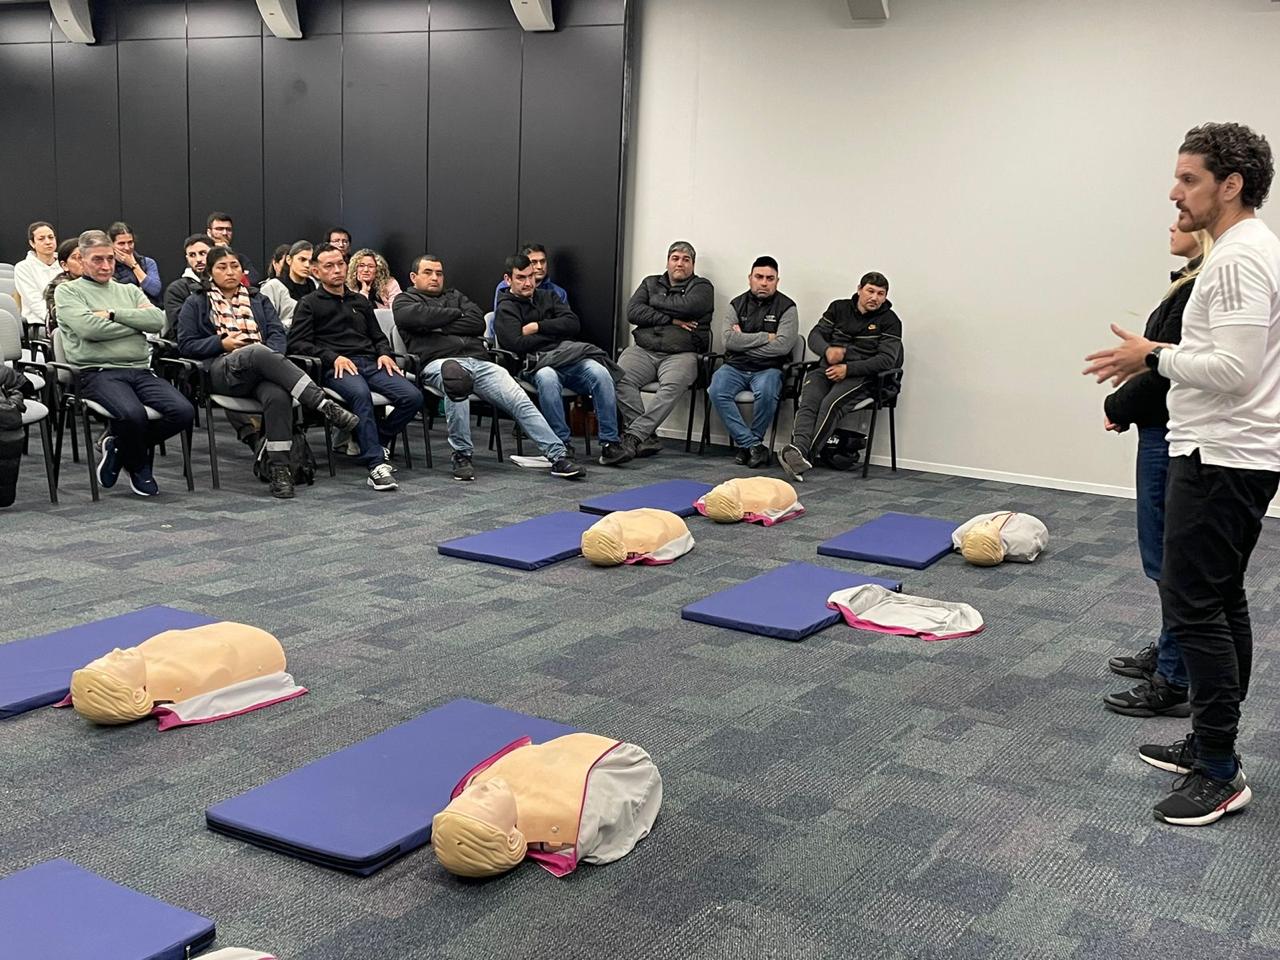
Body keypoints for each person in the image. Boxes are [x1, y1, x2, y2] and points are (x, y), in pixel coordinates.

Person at [1083, 121, 1280, 826]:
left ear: (1231, 185)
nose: (1175, 192)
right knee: (1218, 601)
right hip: (1230, 453)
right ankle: (1210, 742)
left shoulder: (1237, 259)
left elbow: (1235, 370)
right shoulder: (1247, 250)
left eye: (1189, 179)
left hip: (1221, 455)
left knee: (1196, 606)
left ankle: (1220, 769)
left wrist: (1152, 356)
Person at [1100, 224, 1211, 720]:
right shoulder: (1187, 284)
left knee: (1170, 559)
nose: (1173, 221)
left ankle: (1174, 678)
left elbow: (1168, 369)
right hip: (1161, 429)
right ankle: (1171, 654)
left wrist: (1117, 404)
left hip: (1169, 433)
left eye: (1183, 211)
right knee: (1168, 556)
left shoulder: (1196, 289)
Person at [177, 245, 359, 499]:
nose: (230, 272)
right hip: (222, 369)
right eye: (222, 267)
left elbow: (277, 335)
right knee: (256, 351)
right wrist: (221, 343)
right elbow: (186, 344)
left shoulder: (258, 299)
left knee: (278, 395)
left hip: (261, 371)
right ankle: (321, 403)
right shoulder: (196, 302)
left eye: (235, 266)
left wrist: (268, 358)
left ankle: (279, 469)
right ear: (210, 272)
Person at [393, 254, 584, 481]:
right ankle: (462, 454)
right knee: (455, 379)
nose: (435, 277)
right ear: (413, 277)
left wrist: (437, 325)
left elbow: (477, 321)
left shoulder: (456, 296)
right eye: (428, 272)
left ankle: (558, 456)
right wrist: (456, 316)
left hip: (479, 361)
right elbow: (412, 318)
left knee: (517, 398)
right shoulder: (404, 301)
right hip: (439, 363)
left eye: (439, 273)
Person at [54, 230, 194, 497]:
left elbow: (157, 320)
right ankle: (139, 466)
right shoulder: (68, 291)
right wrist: (134, 325)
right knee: (132, 415)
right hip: (97, 372)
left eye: (110, 258)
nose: (106, 265)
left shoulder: (128, 289)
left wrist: (111, 314)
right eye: (97, 259)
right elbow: (89, 329)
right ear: (81, 259)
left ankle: (118, 446)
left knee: (183, 412)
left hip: (139, 369)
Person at [287, 243, 423, 492]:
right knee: (361, 395)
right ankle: (376, 465)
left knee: (412, 396)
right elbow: (297, 344)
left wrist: (385, 354)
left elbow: (378, 336)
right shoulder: (309, 303)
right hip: (337, 367)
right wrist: (332, 357)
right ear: (316, 272)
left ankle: (375, 439)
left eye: (340, 264)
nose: (337, 270)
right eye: (329, 266)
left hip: (370, 362)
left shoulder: (359, 301)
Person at [431, 732, 662, 879]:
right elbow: (631, 785)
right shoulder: (565, 825)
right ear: (511, 838)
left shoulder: (482, 781)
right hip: (615, 763)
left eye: (464, 797)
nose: (479, 789)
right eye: (482, 804)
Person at [493, 253, 625, 466]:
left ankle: (610, 443)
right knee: (548, 378)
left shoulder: (549, 296)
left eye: (531, 276)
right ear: (508, 279)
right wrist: (555, 332)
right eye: (521, 278)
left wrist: (537, 327)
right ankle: (561, 444)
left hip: (566, 357)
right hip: (534, 364)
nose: (528, 283)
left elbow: (573, 324)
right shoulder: (505, 308)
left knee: (600, 372)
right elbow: (516, 344)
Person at [778, 272, 903, 482]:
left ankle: (804, 456)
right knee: (809, 400)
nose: (874, 297)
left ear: (885, 296)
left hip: (863, 375)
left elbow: (887, 360)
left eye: (880, 293)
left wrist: (848, 369)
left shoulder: (891, 321)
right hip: (826, 368)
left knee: (831, 404)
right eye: (870, 291)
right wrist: (827, 350)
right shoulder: (838, 308)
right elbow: (815, 336)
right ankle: (798, 450)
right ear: (859, 289)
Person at [616, 241, 714, 462]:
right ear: (668, 261)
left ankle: (634, 435)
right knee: (619, 376)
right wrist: (671, 319)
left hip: (682, 354)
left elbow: (689, 307)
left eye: (686, 260)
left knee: (671, 386)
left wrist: (655, 301)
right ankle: (647, 436)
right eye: (675, 258)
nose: (680, 263)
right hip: (643, 350)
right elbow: (633, 312)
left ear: (693, 265)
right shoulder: (650, 282)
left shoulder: (703, 287)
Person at [707, 256, 798, 468]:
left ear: (777, 281)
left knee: (767, 392)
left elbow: (783, 346)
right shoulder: (736, 304)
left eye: (770, 278)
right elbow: (728, 341)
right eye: (759, 277)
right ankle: (753, 445)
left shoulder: (788, 307)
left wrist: (743, 342)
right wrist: (766, 337)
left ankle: (748, 446)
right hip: (735, 366)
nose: (764, 282)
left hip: (769, 368)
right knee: (716, 390)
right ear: (750, 278)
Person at [491, 242, 568, 312]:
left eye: (542, 261)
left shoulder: (559, 293)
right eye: (534, 262)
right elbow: (500, 318)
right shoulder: (505, 288)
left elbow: (566, 320)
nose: (540, 267)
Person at [162, 234, 214, 339]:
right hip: (195, 343)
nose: (198, 259)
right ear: (187, 258)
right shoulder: (176, 289)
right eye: (192, 255)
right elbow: (180, 327)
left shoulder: (226, 284)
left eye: (203, 253)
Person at [14, 221, 62, 328]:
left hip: (69, 319)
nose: (48, 242)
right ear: (32, 243)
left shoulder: (65, 263)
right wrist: (56, 320)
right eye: (41, 239)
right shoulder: (23, 267)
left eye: (51, 237)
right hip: (40, 324)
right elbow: (34, 302)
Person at [259, 241, 316, 328]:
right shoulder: (273, 286)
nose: (307, 265)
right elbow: (266, 323)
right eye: (302, 259)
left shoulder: (315, 285)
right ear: (289, 260)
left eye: (311, 261)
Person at [107, 222, 162, 305]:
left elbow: (154, 290)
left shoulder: (147, 262)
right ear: (111, 244)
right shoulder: (107, 266)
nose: (127, 248)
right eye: (121, 243)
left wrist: (133, 265)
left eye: (130, 242)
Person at [41, 238, 84, 333]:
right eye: (77, 258)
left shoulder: (102, 281)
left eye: (85, 257)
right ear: (65, 265)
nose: (82, 261)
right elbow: (68, 318)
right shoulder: (57, 288)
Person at [206, 212, 260, 284]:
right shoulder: (202, 256)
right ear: (209, 232)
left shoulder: (240, 258)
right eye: (219, 229)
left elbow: (254, 279)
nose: (225, 233)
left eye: (228, 229)